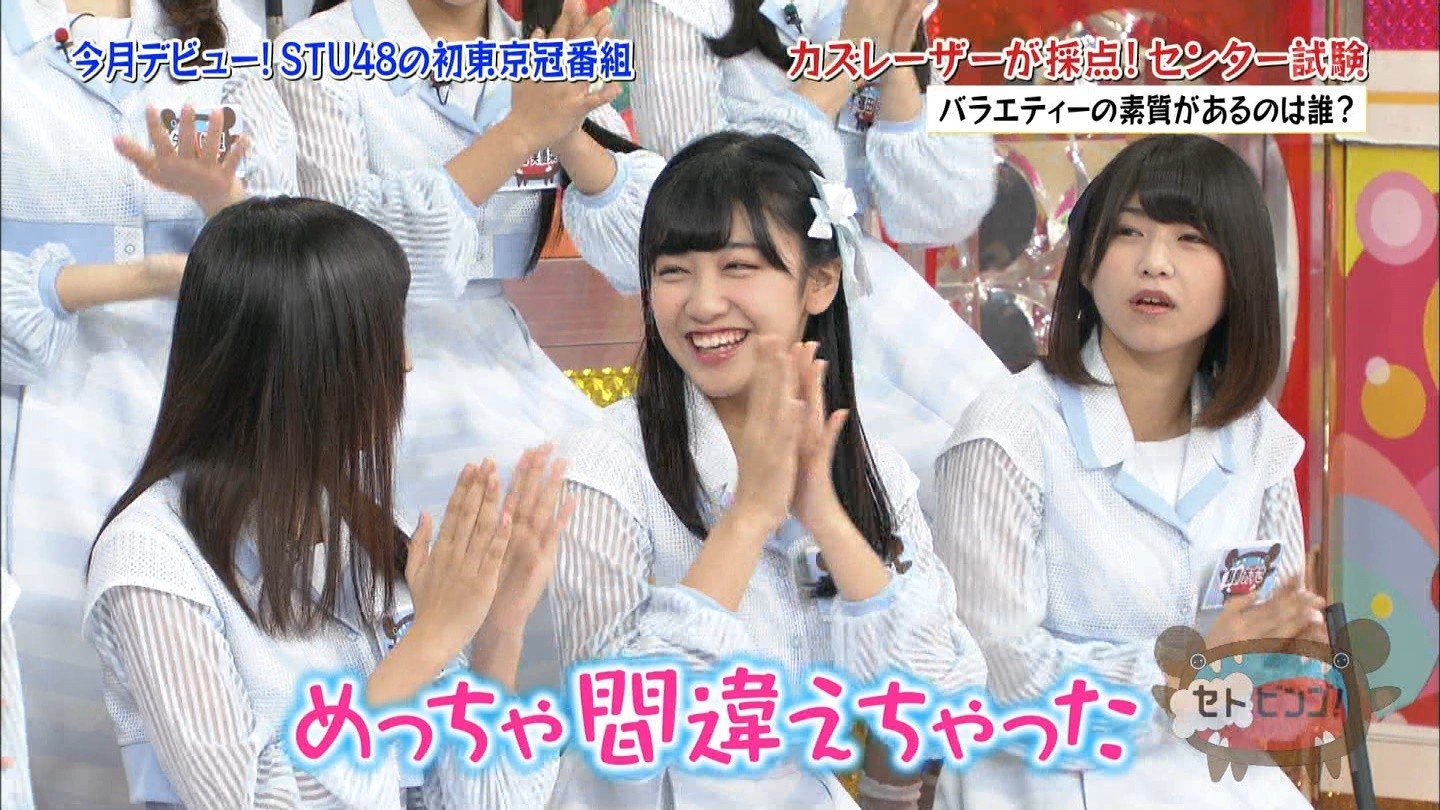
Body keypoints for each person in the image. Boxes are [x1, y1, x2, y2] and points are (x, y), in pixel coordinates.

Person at [547, 131, 989, 809]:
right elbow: (618, 737)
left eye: (738, 267)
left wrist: (828, 520)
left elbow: (940, 708)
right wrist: (750, 516)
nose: (702, 304)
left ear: (820, 282)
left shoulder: (870, 466)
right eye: (673, 271)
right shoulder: (604, 465)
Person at [84, 196, 568, 808]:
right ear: (302, 366)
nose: (405, 363)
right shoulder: (150, 560)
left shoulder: (359, 525)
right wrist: (427, 645)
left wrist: (496, 627)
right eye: (382, 339)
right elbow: (250, 801)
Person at [262, 0, 667, 692]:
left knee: (600, 520)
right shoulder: (318, 52)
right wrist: (519, 131)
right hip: (368, 373)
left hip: (505, 357)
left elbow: (648, 250)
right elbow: (340, 260)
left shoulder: (539, 46)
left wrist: (567, 130)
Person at [931, 135, 1320, 810]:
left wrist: (1289, 652)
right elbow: (992, 673)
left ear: (1241, 274)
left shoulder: (1260, 441)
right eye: (1128, 233)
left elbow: (1263, 658)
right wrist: (1181, 671)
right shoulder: (1008, 430)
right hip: (1040, 784)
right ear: (1086, 264)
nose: (1154, 262)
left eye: (1190, 239)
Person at [1, 0, 292, 803]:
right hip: (30, 404)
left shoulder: (227, 30)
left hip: (214, 404)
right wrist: (137, 278)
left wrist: (223, 203)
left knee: (213, 685)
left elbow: (292, 241)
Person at [621, 0, 1009, 518]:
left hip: (866, 291)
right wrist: (847, 59)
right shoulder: (680, 10)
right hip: (749, 317)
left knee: (1001, 454)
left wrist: (894, 64)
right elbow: (697, 207)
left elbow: (941, 213)